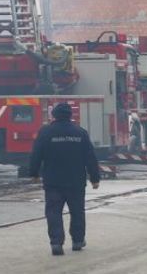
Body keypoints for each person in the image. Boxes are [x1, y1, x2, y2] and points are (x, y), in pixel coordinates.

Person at [28, 102, 101, 255]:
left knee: (54, 212)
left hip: (53, 181)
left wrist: (34, 173)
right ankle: (78, 241)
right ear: (71, 115)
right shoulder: (80, 132)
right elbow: (90, 157)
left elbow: (36, 154)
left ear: (53, 115)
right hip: (75, 181)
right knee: (77, 211)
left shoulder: (46, 132)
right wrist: (95, 178)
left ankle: (56, 243)